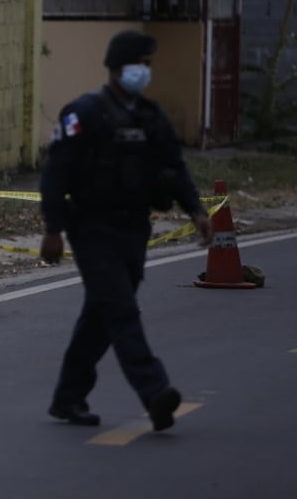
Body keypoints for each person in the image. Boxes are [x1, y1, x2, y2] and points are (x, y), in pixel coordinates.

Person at [39, 29, 213, 431]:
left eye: (149, 65)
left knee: (101, 316)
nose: (147, 72)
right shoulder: (83, 113)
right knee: (120, 309)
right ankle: (155, 392)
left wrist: (197, 211)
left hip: (135, 229)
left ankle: (68, 397)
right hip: (92, 229)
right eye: (142, 65)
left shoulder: (150, 117)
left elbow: (173, 168)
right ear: (119, 67)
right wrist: (53, 229)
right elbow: (55, 174)